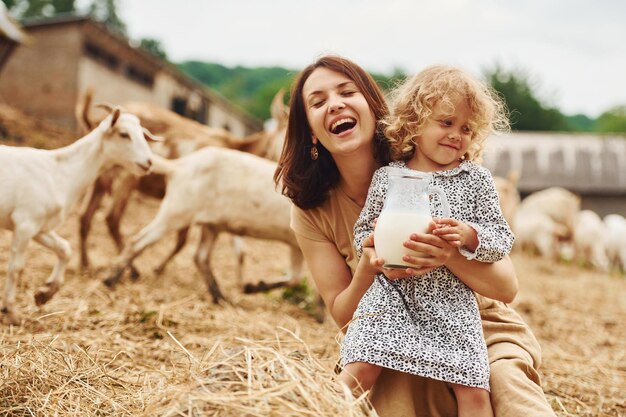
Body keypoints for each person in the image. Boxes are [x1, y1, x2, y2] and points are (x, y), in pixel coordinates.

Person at [274, 55, 556, 417]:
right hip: (393, 321)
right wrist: (370, 265)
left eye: (347, 91)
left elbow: (506, 287)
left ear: (373, 107)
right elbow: (344, 316)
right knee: (375, 390)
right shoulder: (316, 208)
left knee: (509, 394)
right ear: (311, 129)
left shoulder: (435, 156)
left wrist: (447, 253)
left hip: (473, 323)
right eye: (318, 101)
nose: (336, 104)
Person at [338, 65, 514, 417]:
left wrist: (469, 236)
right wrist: (374, 253)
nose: (456, 135)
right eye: (446, 122)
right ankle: (321, 409)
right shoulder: (388, 178)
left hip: (452, 304)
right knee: (359, 367)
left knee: (474, 389)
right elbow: (363, 233)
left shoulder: (476, 180)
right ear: (415, 123)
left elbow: (502, 238)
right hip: (392, 296)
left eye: (467, 129)